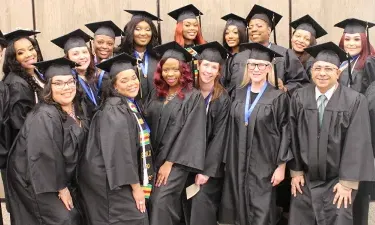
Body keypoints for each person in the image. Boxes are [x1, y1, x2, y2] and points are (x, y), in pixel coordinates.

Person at [288, 42, 375, 225]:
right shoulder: (299, 97)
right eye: (317, 68)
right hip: (306, 179)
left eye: (328, 68)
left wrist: (347, 183)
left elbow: (357, 142)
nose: (322, 73)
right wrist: (295, 172)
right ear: (311, 71)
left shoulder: (354, 100)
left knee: (339, 218)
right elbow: (292, 135)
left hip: (338, 182)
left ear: (338, 73)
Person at [7, 57, 86, 225]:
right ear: (48, 87)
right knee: (66, 219)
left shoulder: (77, 107)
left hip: (57, 175)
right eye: (58, 83)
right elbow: (43, 155)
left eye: (70, 81)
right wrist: (61, 187)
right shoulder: (44, 115)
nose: (66, 87)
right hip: (35, 180)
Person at [219, 43, 291, 225]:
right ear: (247, 67)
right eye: (252, 65)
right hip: (237, 162)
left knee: (261, 210)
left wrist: (281, 166)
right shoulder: (238, 93)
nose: (256, 69)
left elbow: (286, 130)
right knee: (237, 208)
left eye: (261, 65)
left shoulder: (278, 97)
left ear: (269, 68)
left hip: (264, 164)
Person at [79, 53, 151, 225]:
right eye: (124, 80)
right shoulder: (114, 110)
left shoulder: (128, 104)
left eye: (133, 77)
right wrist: (136, 188)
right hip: (110, 179)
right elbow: (121, 154)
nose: (132, 83)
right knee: (133, 218)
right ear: (115, 87)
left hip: (116, 175)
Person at [143, 41, 206, 225]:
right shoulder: (156, 94)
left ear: (183, 71)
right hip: (154, 159)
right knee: (155, 202)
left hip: (177, 161)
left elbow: (191, 133)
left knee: (160, 202)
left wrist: (169, 163)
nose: (170, 74)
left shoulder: (193, 96)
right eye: (165, 70)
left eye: (175, 69)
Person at [182, 41, 230, 225]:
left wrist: (207, 171)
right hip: (186, 162)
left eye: (214, 67)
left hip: (208, 166)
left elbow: (220, 136)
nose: (208, 71)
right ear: (198, 65)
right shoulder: (188, 92)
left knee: (202, 208)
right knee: (185, 208)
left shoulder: (222, 98)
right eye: (206, 65)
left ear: (219, 71)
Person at [227, 4, 309, 94]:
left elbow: (302, 83)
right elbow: (228, 86)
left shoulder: (285, 54)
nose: (253, 29)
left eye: (259, 26)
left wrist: (285, 88)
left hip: (275, 106)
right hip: (242, 106)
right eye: (250, 27)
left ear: (269, 30)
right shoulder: (239, 57)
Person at [2, 29, 44, 146]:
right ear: (13, 57)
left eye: (31, 49)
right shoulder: (17, 84)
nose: (29, 54)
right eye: (21, 53)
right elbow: (20, 126)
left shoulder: (36, 73)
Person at [51, 29, 98, 118]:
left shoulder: (92, 77)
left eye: (85, 52)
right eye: (75, 54)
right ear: (67, 58)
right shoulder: (69, 83)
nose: (82, 57)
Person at [120, 10, 162, 101]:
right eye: (138, 29)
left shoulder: (158, 57)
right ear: (130, 31)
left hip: (156, 109)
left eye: (148, 30)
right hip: (131, 110)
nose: (143, 33)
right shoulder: (121, 58)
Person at [168, 4, 206, 86]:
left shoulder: (204, 48)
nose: (192, 28)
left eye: (195, 25)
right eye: (187, 25)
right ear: (180, 28)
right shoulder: (174, 50)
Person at [335, 18, 375, 94]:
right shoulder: (340, 61)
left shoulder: (369, 63)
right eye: (347, 39)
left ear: (364, 42)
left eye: (356, 39)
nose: (351, 43)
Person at [85, 20, 124, 94]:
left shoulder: (118, 63)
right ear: (93, 42)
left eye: (110, 44)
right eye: (100, 42)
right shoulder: (86, 62)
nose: (104, 47)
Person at [290, 15, 327, 80]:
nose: (301, 41)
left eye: (306, 39)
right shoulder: (285, 56)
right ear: (292, 38)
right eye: (298, 36)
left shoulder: (312, 62)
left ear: (311, 43)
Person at [220, 13, 248, 92]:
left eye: (235, 33)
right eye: (227, 33)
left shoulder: (246, 57)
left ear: (243, 34)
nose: (230, 36)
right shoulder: (223, 56)